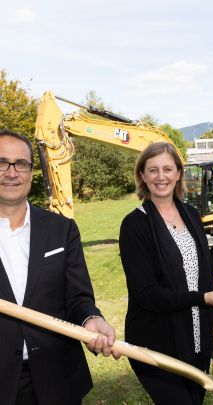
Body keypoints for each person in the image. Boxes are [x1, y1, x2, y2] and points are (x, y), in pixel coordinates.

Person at [0, 129, 120, 405]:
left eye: (21, 164)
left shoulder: (61, 229)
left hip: (56, 378)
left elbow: (78, 297)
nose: (11, 172)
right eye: (1, 162)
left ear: (31, 172)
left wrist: (91, 319)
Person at [119, 142, 213, 405]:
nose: (160, 176)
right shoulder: (135, 224)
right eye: (152, 170)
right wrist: (204, 299)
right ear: (142, 175)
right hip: (157, 343)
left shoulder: (188, 213)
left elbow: (204, 269)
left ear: (178, 173)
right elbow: (148, 294)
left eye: (167, 169)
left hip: (196, 338)